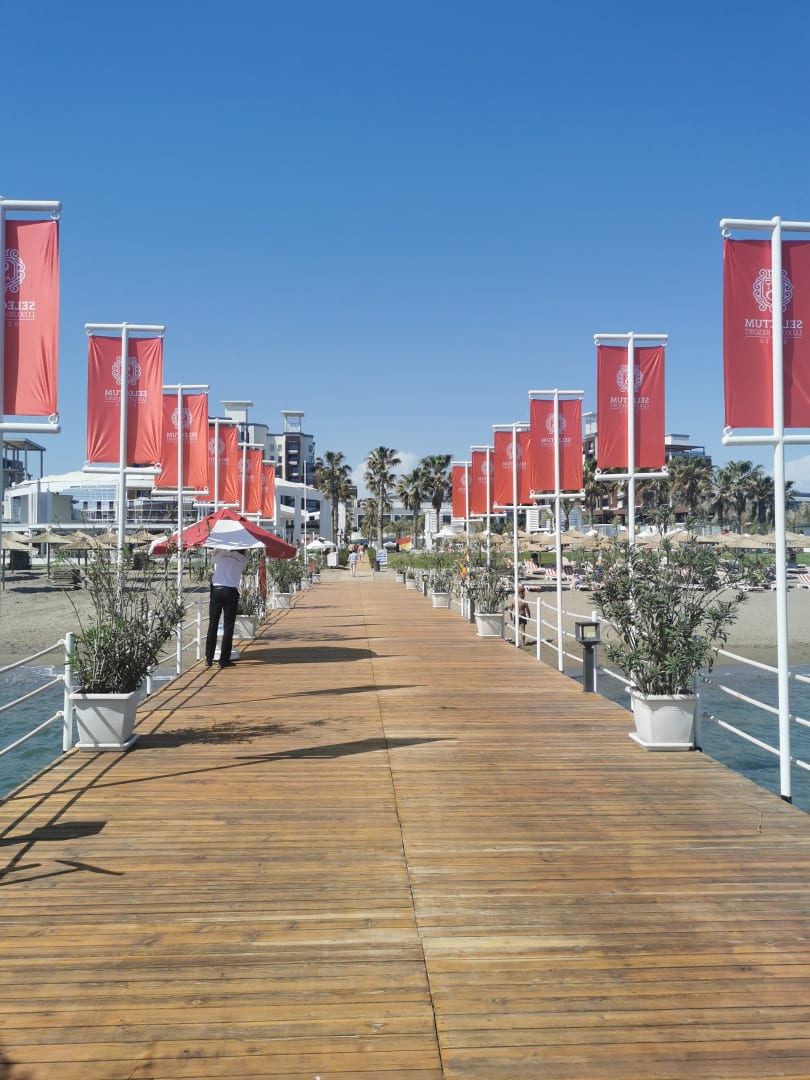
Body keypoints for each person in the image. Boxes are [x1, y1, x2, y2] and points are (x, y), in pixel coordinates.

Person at [205, 546, 249, 668]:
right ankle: (223, 660)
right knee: (228, 626)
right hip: (231, 591)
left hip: (217, 590)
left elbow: (213, 558)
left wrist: (221, 548)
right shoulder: (241, 558)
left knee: (213, 624)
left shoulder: (220, 554)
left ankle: (208, 658)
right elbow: (245, 558)